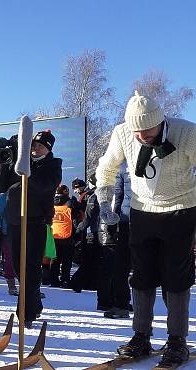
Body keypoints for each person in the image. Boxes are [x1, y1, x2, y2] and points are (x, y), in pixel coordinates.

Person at [95, 91, 196, 368]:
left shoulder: (187, 132)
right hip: (141, 212)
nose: (140, 135)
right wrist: (104, 203)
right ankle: (141, 336)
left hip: (181, 210)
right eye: (136, 130)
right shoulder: (123, 132)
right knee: (141, 276)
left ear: (160, 120)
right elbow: (106, 168)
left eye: (146, 130)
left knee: (176, 277)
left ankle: (177, 341)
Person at [0, 129, 62, 328]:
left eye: (40, 146)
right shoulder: (20, 162)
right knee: (17, 267)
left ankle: (26, 313)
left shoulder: (53, 165)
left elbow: (44, 185)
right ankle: (34, 302)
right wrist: (5, 162)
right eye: (33, 145)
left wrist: (24, 169)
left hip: (35, 222)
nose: (35, 149)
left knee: (30, 268)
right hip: (14, 221)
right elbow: (0, 187)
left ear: (48, 149)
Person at [103, 163, 133, 319]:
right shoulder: (123, 165)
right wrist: (113, 221)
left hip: (150, 218)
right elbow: (118, 194)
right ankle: (121, 304)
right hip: (125, 220)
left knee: (149, 267)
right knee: (120, 266)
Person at [70, 175, 102, 295]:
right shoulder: (98, 196)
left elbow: (88, 217)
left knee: (89, 260)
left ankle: (82, 282)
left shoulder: (92, 197)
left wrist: (79, 228)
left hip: (90, 232)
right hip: (96, 231)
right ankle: (83, 283)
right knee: (91, 260)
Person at [49, 185, 77, 288]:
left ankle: (53, 280)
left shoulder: (51, 202)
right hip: (67, 235)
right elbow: (75, 219)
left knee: (55, 259)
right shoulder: (70, 203)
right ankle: (65, 280)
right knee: (66, 260)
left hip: (54, 234)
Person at [0, 192, 18, 296]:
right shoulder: (6, 196)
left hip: (25, 232)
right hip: (8, 232)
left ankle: (28, 287)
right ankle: (12, 285)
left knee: (26, 259)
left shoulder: (28, 192)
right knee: (10, 259)